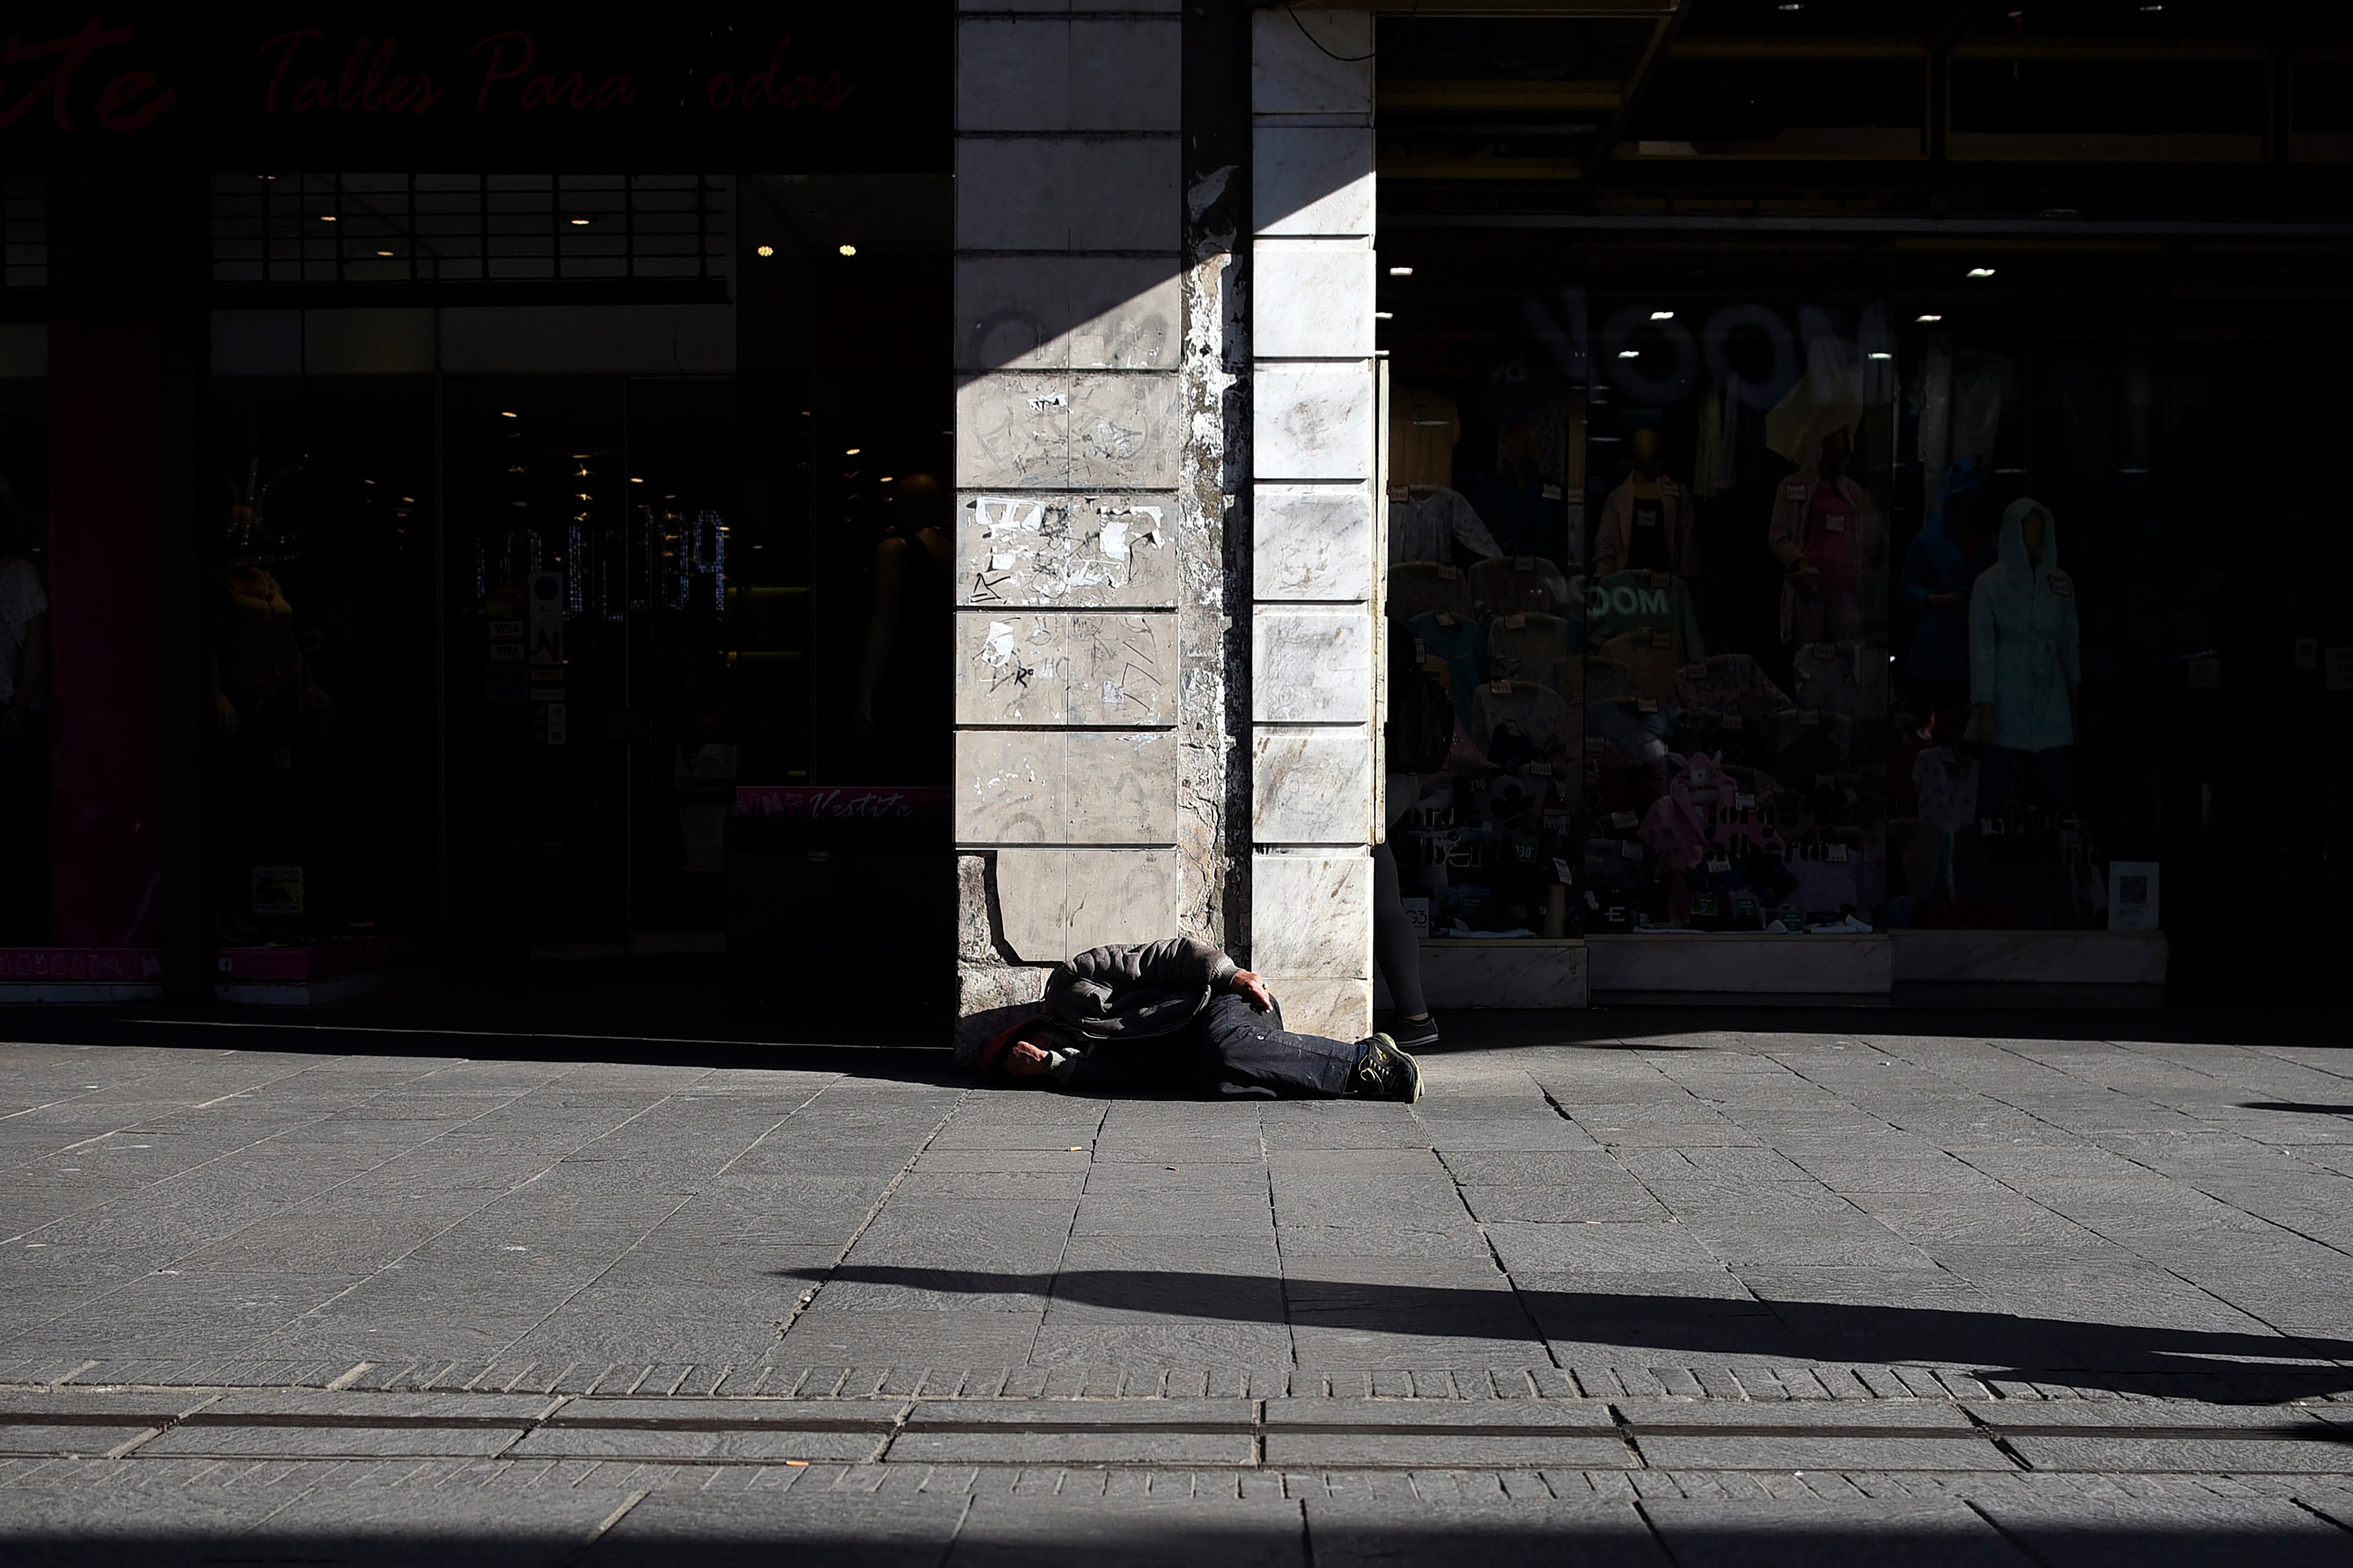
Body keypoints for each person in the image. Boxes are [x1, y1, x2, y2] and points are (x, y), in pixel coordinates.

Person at [977, 936, 1424, 1101]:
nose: (1033, 1056)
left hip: (1224, 1004)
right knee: (1219, 1082)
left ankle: (1363, 1062)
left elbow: (1161, 956)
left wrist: (1231, 975)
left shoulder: (1071, 984)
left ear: (1029, 1029)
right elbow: (1121, 1076)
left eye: (1023, 1051)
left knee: (1224, 1046)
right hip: (1219, 1052)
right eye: (1020, 1070)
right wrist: (1051, 1067)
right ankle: (1345, 1075)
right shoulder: (1079, 1062)